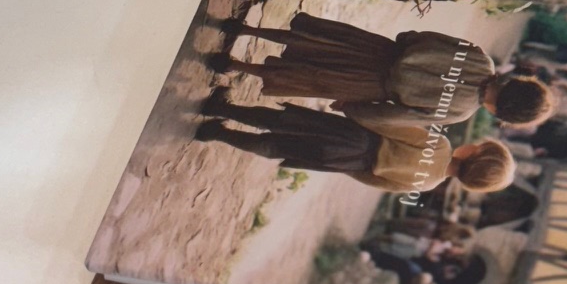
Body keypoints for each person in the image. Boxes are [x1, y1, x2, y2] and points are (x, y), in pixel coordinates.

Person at [205, 10, 555, 126]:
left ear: (517, 81)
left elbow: (430, 38)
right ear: (501, 112)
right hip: (369, 85)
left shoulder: (481, 59)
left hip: (379, 51)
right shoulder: (459, 112)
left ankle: (245, 29)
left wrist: (406, 41)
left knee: (314, 41)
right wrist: (353, 108)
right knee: (305, 76)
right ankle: (236, 64)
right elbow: (397, 116)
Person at [192, 99, 515, 196]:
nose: (473, 143)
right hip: (349, 161)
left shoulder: (441, 145)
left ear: (474, 153)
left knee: (285, 122)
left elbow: (389, 127)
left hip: (357, 137)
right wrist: (347, 167)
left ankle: (224, 108)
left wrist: (355, 112)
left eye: (478, 146)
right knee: (278, 146)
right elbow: (376, 181)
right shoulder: (427, 184)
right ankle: (219, 134)